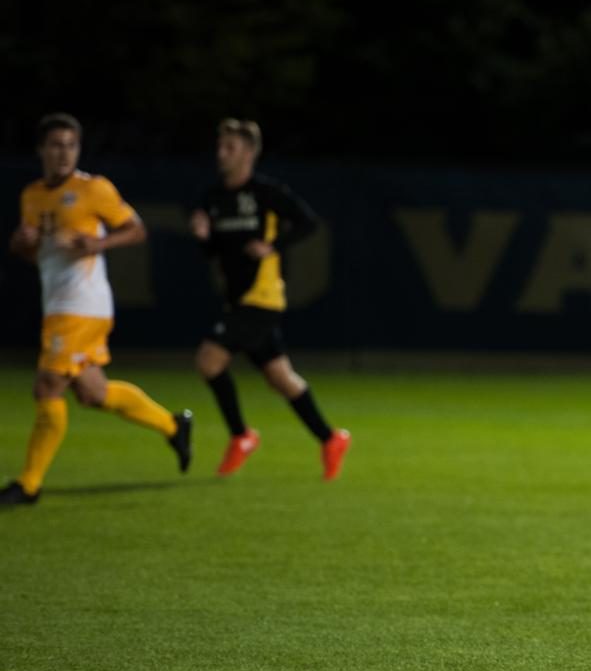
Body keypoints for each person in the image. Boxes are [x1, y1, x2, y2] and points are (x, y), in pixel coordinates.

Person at [1, 113, 192, 506]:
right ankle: (173, 426)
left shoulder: (94, 189)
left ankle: (29, 484)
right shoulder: (32, 196)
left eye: (70, 145)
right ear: (41, 150)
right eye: (56, 145)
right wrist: (21, 242)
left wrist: (97, 245)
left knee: (47, 385)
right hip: (57, 303)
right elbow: (35, 254)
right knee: (92, 392)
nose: (63, 153)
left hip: (82, 305)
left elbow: (135, 229)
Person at [188, 118, 350, 480]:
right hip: (236, 298)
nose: (222, 153)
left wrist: (273, 246)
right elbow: (214, 252)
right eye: (220, 146)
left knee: (208, 361)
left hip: (261, 298)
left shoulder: (266, 193)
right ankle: (330, 437)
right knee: (281, 377)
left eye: (230, 147)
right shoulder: (213, 197)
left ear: (250, 153)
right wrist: (202, 237)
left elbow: (308, 222)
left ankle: (241, 435)